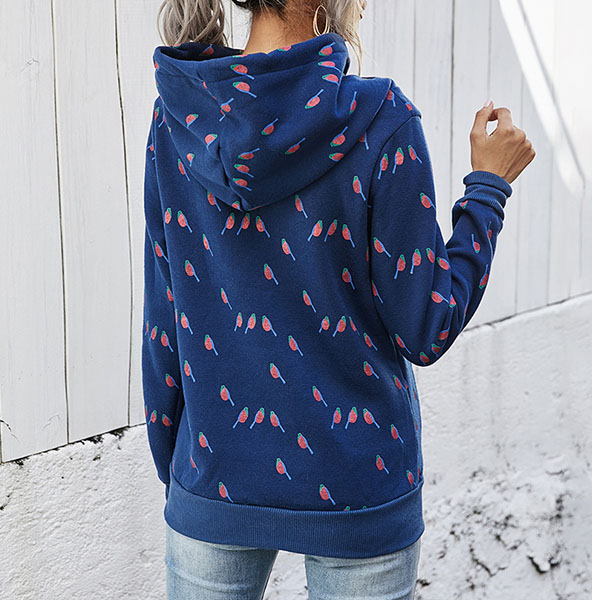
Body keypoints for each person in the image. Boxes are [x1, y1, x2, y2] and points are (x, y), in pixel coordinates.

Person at [141, 0, 536, 597]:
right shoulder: (383, 120)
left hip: (212, 474)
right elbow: (425, 328)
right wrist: (488, 190)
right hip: (360, 481)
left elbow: (163, 316)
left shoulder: (177, 118)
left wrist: (184, 477)